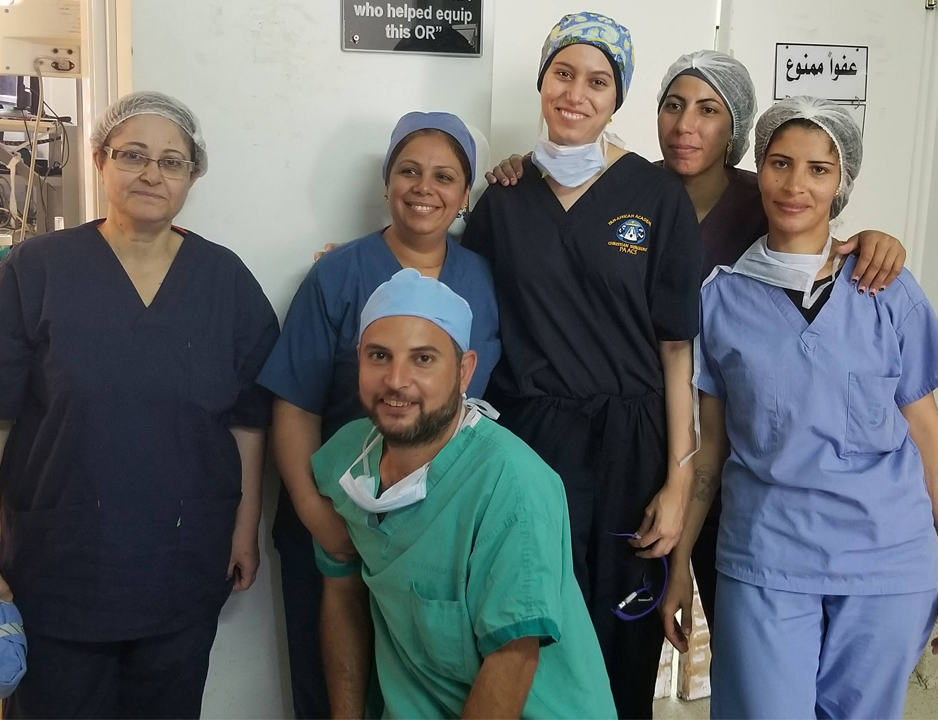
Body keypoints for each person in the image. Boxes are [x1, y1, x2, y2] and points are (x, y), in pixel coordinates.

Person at [488, 49, 909, 636]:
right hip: (655, 441)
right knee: (632, 603)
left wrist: (876, 238)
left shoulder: (766, 200)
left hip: (749, 448)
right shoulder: (623, 188)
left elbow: (818, 243)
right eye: (673, 106)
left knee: (744, 622)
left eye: (709, 110)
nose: (686, 125)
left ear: (736, 126)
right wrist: (525, 168)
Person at [0, 91, 280, 719]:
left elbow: (248, 421)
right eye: (133, 155)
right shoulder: (38, 270)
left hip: (182, 567)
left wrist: (243, 528)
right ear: (99, 161)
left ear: (192, 175)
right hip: (59, 570)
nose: (152, 173)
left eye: (172, 162)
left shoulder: (224, 281)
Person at [674, 96, 938, 719]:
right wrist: (680, 563)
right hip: (766, 557)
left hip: (889, 559)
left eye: (819, 169)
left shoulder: (885, 288)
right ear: (759, 169)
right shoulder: (721, 299)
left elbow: (928, 436)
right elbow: (710, 448)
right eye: (781, 163)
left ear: (842, 181)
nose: (796, 186)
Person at [460, 13, 701, 717]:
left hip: (633, 445)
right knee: (529, 623)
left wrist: (679, 482)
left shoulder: (657, 196)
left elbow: (677, 350)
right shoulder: (503, 199)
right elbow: (460, 301)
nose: (576, 94)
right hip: (528, 440)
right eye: (563, 74)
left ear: (617, 97)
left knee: (623, 631)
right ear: (542, 82)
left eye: (598, 81)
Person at [257, 111, 501, 718]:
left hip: (434, 530)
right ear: (387, 182)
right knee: (333, 690)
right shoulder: (339, 274)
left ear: (465, 195)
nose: (425, 188)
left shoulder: (481, 279)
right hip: (337, 524)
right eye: (409, 171)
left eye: (445, 177)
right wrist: (317, 517)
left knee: (421, 693)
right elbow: (294, 404)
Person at [314, 268, 616, 719]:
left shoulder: (512, 485)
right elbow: (342, 597)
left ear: (464, 371)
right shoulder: (346, 461)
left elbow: (512, 660)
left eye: (423, 359)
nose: (396, 380)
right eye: (379, 356)